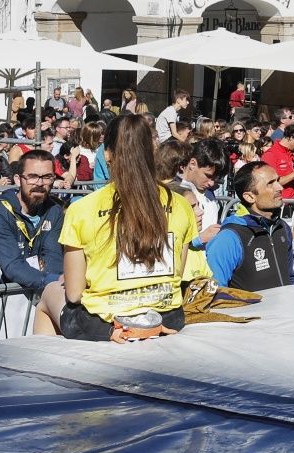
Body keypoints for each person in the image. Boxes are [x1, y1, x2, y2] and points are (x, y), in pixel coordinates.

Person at [56, 117, 198, 341]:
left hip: (106, 321)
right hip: (167, 316)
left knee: (50, 294)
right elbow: (177, 272)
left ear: (108, 154)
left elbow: (74, 293)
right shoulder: (180, 204)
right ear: (152, 152)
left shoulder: (81, 209)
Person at [0, 148, 68, 332]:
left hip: (38, 296)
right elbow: (12, 266)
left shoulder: (54, 210)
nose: (40, 183)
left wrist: (52, 284)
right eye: (33, 176)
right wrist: (54, 280)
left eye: (47, 177)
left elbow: (52, 255)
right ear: (18, 179)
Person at [205, 161, 294, 291]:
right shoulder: (229, 237)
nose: (280, 187)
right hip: (248, 311)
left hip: (285, 310)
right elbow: (216, 291)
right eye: (270, 184)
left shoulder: (282, 228)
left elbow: (290, 277)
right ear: (249, 197)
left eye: (277, 181)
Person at [173, 139, 227, 244]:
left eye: (215, 178)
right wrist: (198, 240)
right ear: (193, 164)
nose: (211, 183)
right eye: (208, 176)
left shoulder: (208, 193)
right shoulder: (174, 192)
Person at [261, 123, 294, 201]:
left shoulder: (290, 154)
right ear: (291, 137)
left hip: (291, 203)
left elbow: (292, 186)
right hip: (278, 204)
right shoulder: (270, 155)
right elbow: (271, 184)